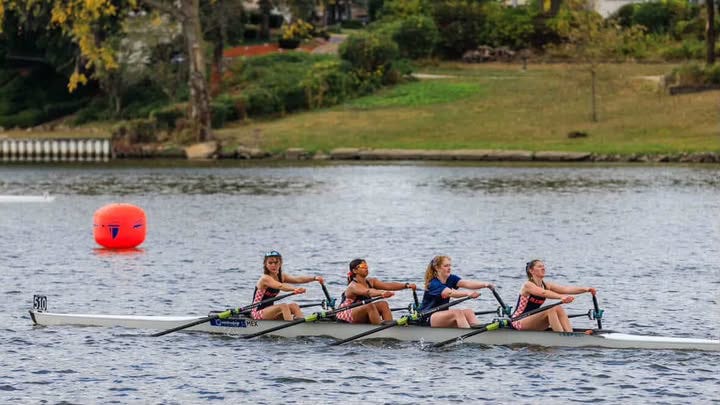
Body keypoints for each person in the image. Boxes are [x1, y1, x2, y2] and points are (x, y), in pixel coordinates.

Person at [510, 259, 596, 332]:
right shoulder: (527, 285)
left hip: (533, 320)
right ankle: (560, 336)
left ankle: (569, 333)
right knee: (551, 309)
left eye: (543, 266)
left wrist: (586, 289)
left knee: (558, 308)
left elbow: (565, 289)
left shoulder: (546, 285)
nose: (543, 268)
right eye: (539, 266)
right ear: (531, 271)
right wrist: (561, 297)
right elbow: (544, 293)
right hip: (518, 321)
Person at [419, 255, 495, 328]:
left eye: (449, 265)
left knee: (469, 312)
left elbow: (467, 283)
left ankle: (478, 332)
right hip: (427, 317)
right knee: (457, 313)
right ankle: (467, 333)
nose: (449, 268)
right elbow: (451, 293)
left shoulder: (451, 278)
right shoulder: (433, 283)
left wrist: (485, 284)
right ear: (437, 268)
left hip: (441, 315)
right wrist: (468, 293)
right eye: (446, 266)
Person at [335, 259, 417, 325]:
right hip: (345, 314)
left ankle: (389, 326)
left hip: (360, 311)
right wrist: (381, 293)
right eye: (363, 266)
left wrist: (406, 285)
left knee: (383, 304)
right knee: (369, 306)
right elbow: (368, 292)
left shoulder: (371, 281)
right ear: (354, 270)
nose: (366, 268)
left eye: (367, 266)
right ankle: (380, 328)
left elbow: (388, 285)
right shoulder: (353, 286)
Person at [250, 250, 324, 321]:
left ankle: (301, 326)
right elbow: (280, 286)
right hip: (257, 312)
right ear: (265, 264)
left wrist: (314, 278)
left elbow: (298, 279)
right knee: (283, 306)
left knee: (294, 306)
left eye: (276, 262)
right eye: (270, 263)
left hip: (270, 311)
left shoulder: (281, 277)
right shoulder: (265, 279)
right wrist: (294, 289)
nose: (273, 265)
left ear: (280, 263)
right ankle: (292, 326)